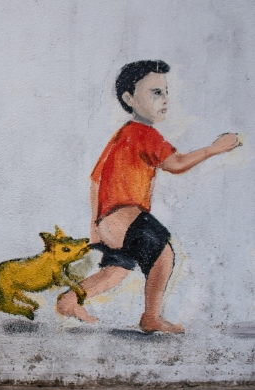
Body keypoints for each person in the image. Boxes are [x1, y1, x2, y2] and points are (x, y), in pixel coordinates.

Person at [56, 60, 240, 333]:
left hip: (110, 221)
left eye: (165, 92)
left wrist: (96, 226)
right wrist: (214, 149)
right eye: (156, 92)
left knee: (115, 271)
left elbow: (95, 180)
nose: (165, 99)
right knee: (163, 253)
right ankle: (151, 317)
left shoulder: (122, 135)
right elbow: (175, 163)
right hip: (125, 214)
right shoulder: (143, 133)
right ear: (129, 98)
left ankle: (69, 301)